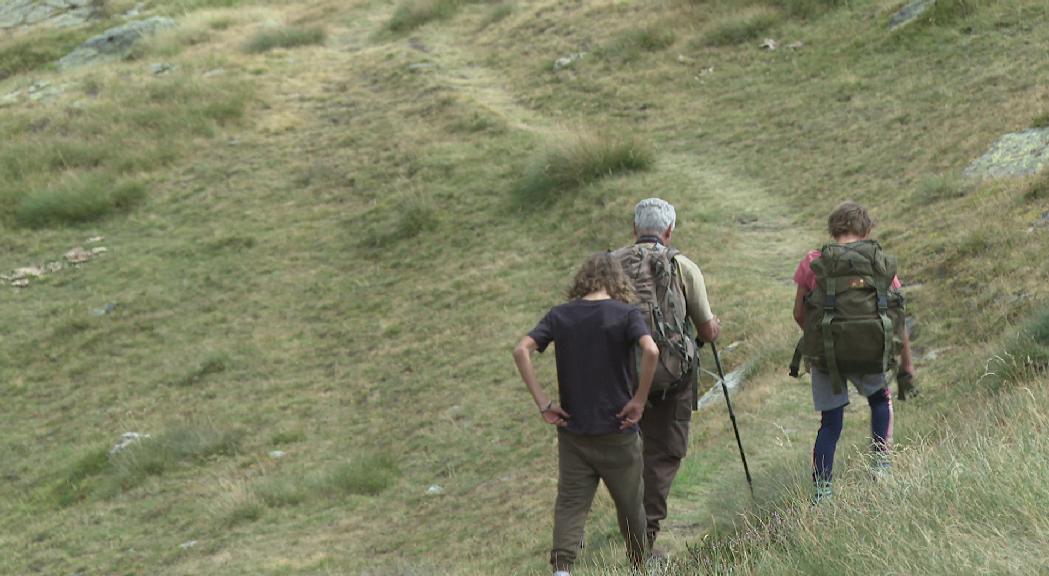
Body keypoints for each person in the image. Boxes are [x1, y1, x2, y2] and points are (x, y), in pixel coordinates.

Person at [513, 252, 660, 576]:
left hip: (574, 431)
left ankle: (563, 569)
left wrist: (543, 403)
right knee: (630, 504)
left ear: (582, 280)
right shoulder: (625, 314)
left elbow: (521, 349)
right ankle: (639, 565)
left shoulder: (560, 316)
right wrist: (639, 399)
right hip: (618, 430)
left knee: (570, 505)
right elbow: (651, 350)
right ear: (616, 281)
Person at [612, 198, 721, 552]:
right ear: (669, 231)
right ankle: (646, 536)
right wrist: (713, 328)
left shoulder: (609, 267)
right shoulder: (683, 267)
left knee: (621, 452)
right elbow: (706, 331)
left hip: (619, 377)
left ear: (634, 229)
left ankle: (627, 524)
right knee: (663, 454)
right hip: (669, 377)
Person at [792, 201, 916, 503]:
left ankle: (822, 494)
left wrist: (822, 338)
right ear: (867, 229)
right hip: (870, 351)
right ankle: (881, 467)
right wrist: (906, 367)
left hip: (826, 358)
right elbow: (896, 318)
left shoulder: (813, 262)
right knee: (879, 401)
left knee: (830, 423)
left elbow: (798, 313)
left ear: (834, 229)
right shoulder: (879, 261)